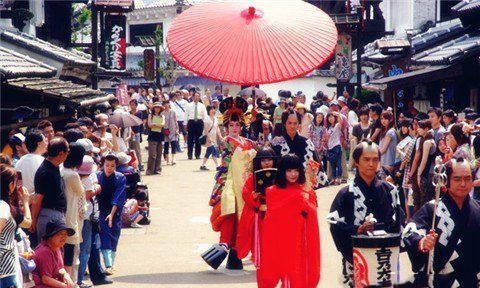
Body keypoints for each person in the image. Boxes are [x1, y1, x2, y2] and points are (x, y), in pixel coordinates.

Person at [327, 141, 403, 287]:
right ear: (357, 162)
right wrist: (357, 230)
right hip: (356, 258)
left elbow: (398, 223)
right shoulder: (346, 193)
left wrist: (380, 230)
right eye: (366, 159)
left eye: (375, 159)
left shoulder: (390, 190)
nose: (371, 164)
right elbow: (335, 224)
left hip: (385, 258)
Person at [402, 157, 480, 287]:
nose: (463, 184)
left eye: (467, 179)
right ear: (446, 181)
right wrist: (421, 242)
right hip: (439, 282)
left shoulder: (478, 209)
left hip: (470, 281)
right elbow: (410, 231)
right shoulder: (432, 208)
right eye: (457, 179)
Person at [207, 97, 256, 270]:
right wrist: (250, 152)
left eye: (237, 125)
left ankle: (236, 254)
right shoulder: (227, 141)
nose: (234, 128)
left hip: (244, 183)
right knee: (230, 215)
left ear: (242, 126)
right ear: (226, 127)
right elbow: (237, 157)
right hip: (228, 183)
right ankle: (226, 247)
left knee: (242, 218)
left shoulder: (248, 142)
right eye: (231, 126)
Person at [258, 154, 320, 288]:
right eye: (289, 171)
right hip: (279, 243)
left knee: (297, 277)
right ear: (282, 171)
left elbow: (312, 216)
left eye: (296, 170)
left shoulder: (306, 191)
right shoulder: (272, 192)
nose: (293, 174)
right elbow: (270, 223)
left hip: (299, 242)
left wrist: (307, 201)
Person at [236, 147, 277, 267]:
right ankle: (261, 260)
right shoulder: (252, 178)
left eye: (269, 159)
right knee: (259, 237)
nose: (267, 163)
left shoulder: (280, 175)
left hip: (275, 211)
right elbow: (245, 193)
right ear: (258, 162)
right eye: (263, 160)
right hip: (259, 212)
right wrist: (253, 196)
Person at [271, 109, 320, 190]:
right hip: (282, 187)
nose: (292, 126)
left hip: (303, 186)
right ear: (284, 124)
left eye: (295, 123)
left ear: (299, 124)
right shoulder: (276, 143)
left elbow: (315, 163)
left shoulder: (307, 142)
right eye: (289, 123)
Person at [31, 137, 69, 241]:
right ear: (61, 153)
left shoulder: (54, 166)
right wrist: (33, 220)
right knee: (50, 252)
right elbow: (38, 198)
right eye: (67, 151)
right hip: (50, 216)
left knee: (57, 254)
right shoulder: (45, 171)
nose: (68, 154)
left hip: (56, 214)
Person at [1, 164, 32, 288]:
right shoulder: (3, 206)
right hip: (5, 267)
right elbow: (28, 222)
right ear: (10, 185)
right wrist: (25, 201)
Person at [96, 154, 126, 275]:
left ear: (116, 166)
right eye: (107, 165)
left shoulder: (120, 178)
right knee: (105, 236)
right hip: (101, 211)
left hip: (115, 212)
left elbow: (118, 196)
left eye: (112, 166)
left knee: (114, 236)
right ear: (102, 165)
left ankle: (111, 264)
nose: (109, 168)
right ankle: (108, 265)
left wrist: (112, 214)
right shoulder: (97, 176)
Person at [61, 143, 87, 281]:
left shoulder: (60, 170)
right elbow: (81, 194)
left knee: (62, 256)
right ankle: (72, 283)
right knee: (71, 257)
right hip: (71, 219)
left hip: (60, 217)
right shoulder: (72, 175)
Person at [31, 219, 76, 288]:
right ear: (50, 236)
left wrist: (66, 275)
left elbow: (60, 268)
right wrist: (66, 287)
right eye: (61, 234)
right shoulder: (45, 251)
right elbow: (45, 279)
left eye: (65, 234)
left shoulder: (57, 247)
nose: (64, 237)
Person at [15, 130, 48, 196]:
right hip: (38, 202)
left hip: (24, 200)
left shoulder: (19, 161)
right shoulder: (43, 162)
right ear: (39, 143)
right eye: (45, 140)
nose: (47, 143)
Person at [416, 120, 436, 209]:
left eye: (420, 128)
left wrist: (419, 174)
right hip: (430, 172)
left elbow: (424, 160)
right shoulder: (430, 140)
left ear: (426, 129)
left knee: (425, 200)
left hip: (427, 173)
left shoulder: (427, 142)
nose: (418, 129)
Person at [186, 92, 207, 160]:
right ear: (193, 97)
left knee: (199, 139)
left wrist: (205, 124)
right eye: (195, 96)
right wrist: (185, 123)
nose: (196, 98)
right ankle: (190, 155)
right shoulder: (188, 105)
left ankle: (197, 154)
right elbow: (186, 115)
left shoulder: (202, 105)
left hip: (199, 122)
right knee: (190, 139)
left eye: (198, 96)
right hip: (191, 122)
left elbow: (205, 115)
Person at [200, 106, 222, 171]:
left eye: (214, 109)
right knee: (214, 151)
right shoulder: (206, 119)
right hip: (208, 138)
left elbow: (217, 128)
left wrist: (220, 136)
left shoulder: (216, 119)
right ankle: (217, 166)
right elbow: (206, 130)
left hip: (213, 138)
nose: (213, 110)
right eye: (212, 109)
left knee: (208, 152)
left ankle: (202, 165)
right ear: (209, 111)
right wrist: (208, 138)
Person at [146, 102, 164, 175]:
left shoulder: (162, 116)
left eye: (158, 107)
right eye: (156, 107)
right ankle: (150, 170)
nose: (157, 109)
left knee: (159, 154)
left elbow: (163, 124)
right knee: (152, 155)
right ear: (153, 108)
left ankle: (157, 169)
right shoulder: (150, 115)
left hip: (160, 135)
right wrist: (157, 124)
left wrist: (155, 124)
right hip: (152, 136)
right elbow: (149, 125)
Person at [325, 111, 343, 185]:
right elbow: (327, 139)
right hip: (330, 147)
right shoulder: (328, 128)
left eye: (332, 116)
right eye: (329, 117)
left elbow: (341, 121)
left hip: (337, 146)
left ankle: (339, 178)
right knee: (333, 165)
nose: (330, 118)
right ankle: (334, 178)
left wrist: (338, 114)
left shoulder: (337, 125)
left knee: (338, 163)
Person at [128, 99, 144, 171]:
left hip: (137, 132)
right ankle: (131, 164)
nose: (132, 106)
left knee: (137, 149)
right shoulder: (128, 113)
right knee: (129, 149)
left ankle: (140, 164)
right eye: (131, 104)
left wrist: (139, 133)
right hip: (129, 132)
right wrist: (130, 130)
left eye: (133, 104)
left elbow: (140, 123)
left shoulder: (139, 113)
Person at [161, 101, 179, 165]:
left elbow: (176, 121)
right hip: (165, 130)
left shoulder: (173, 112)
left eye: (167, 104)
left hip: (172, 129)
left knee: (173, 144)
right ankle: (167, 159)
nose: (166, 105)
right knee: (166, 145)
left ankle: (173, 158)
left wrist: (177, 129)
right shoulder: (162, 113)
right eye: (164, 104)